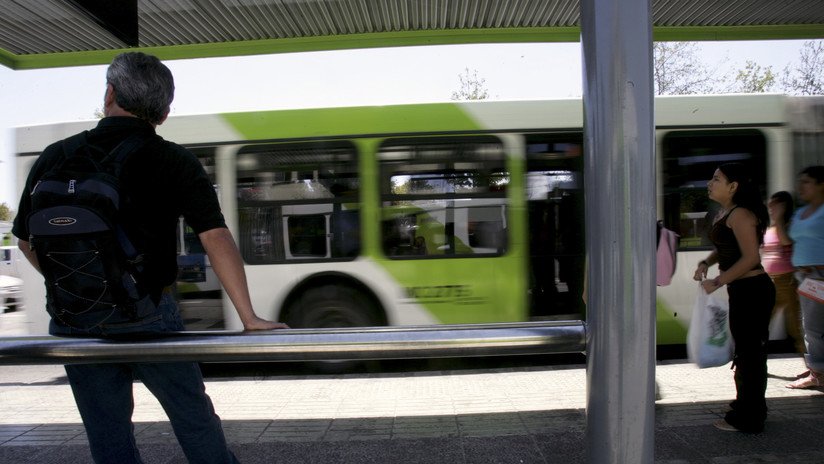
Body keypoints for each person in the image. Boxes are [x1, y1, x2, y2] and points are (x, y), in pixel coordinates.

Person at [12, 52, 288, 463]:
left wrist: (80, 283)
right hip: (149, 315)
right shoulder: (173, 160)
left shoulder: (54, 155)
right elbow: (215, 236)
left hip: (74, 320)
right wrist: (248, 317)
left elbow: (24, 241)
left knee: (108, 436)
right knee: (192, 418)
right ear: (164, 112)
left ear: (109, 94)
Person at [693, 162, 775, 433]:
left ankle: (750, 418)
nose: (710, 183)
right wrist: (707, 261)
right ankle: (746, 407)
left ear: (733, 186)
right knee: (746, 353)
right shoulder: (727, 212)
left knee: (751, 355)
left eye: (716, 179)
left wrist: (717, 281)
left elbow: (751, 258)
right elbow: (727, 248)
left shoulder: (740, 214)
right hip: (741, 290)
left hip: (753, 291)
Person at [786, 165, 824, 389]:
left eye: (807, 181)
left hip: (819, 274)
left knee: (814, 327)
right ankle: (818, 370)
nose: (800, 186)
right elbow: (788, 239)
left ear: (821, 185)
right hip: (806, 276)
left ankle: (818, 373)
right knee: (812, 326)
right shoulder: (800, 212)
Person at [762, 191, 805, 353]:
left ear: (783, 206)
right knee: (762, 324)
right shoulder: (771, 227)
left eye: (774, 205)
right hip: (771, 281)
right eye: (770, 205)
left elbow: (786, 242)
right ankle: (755, 363)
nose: (770, 208)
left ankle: (813, 369)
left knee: (795, 327)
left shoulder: (789, 225)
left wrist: (779, 219)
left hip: (787, 281)